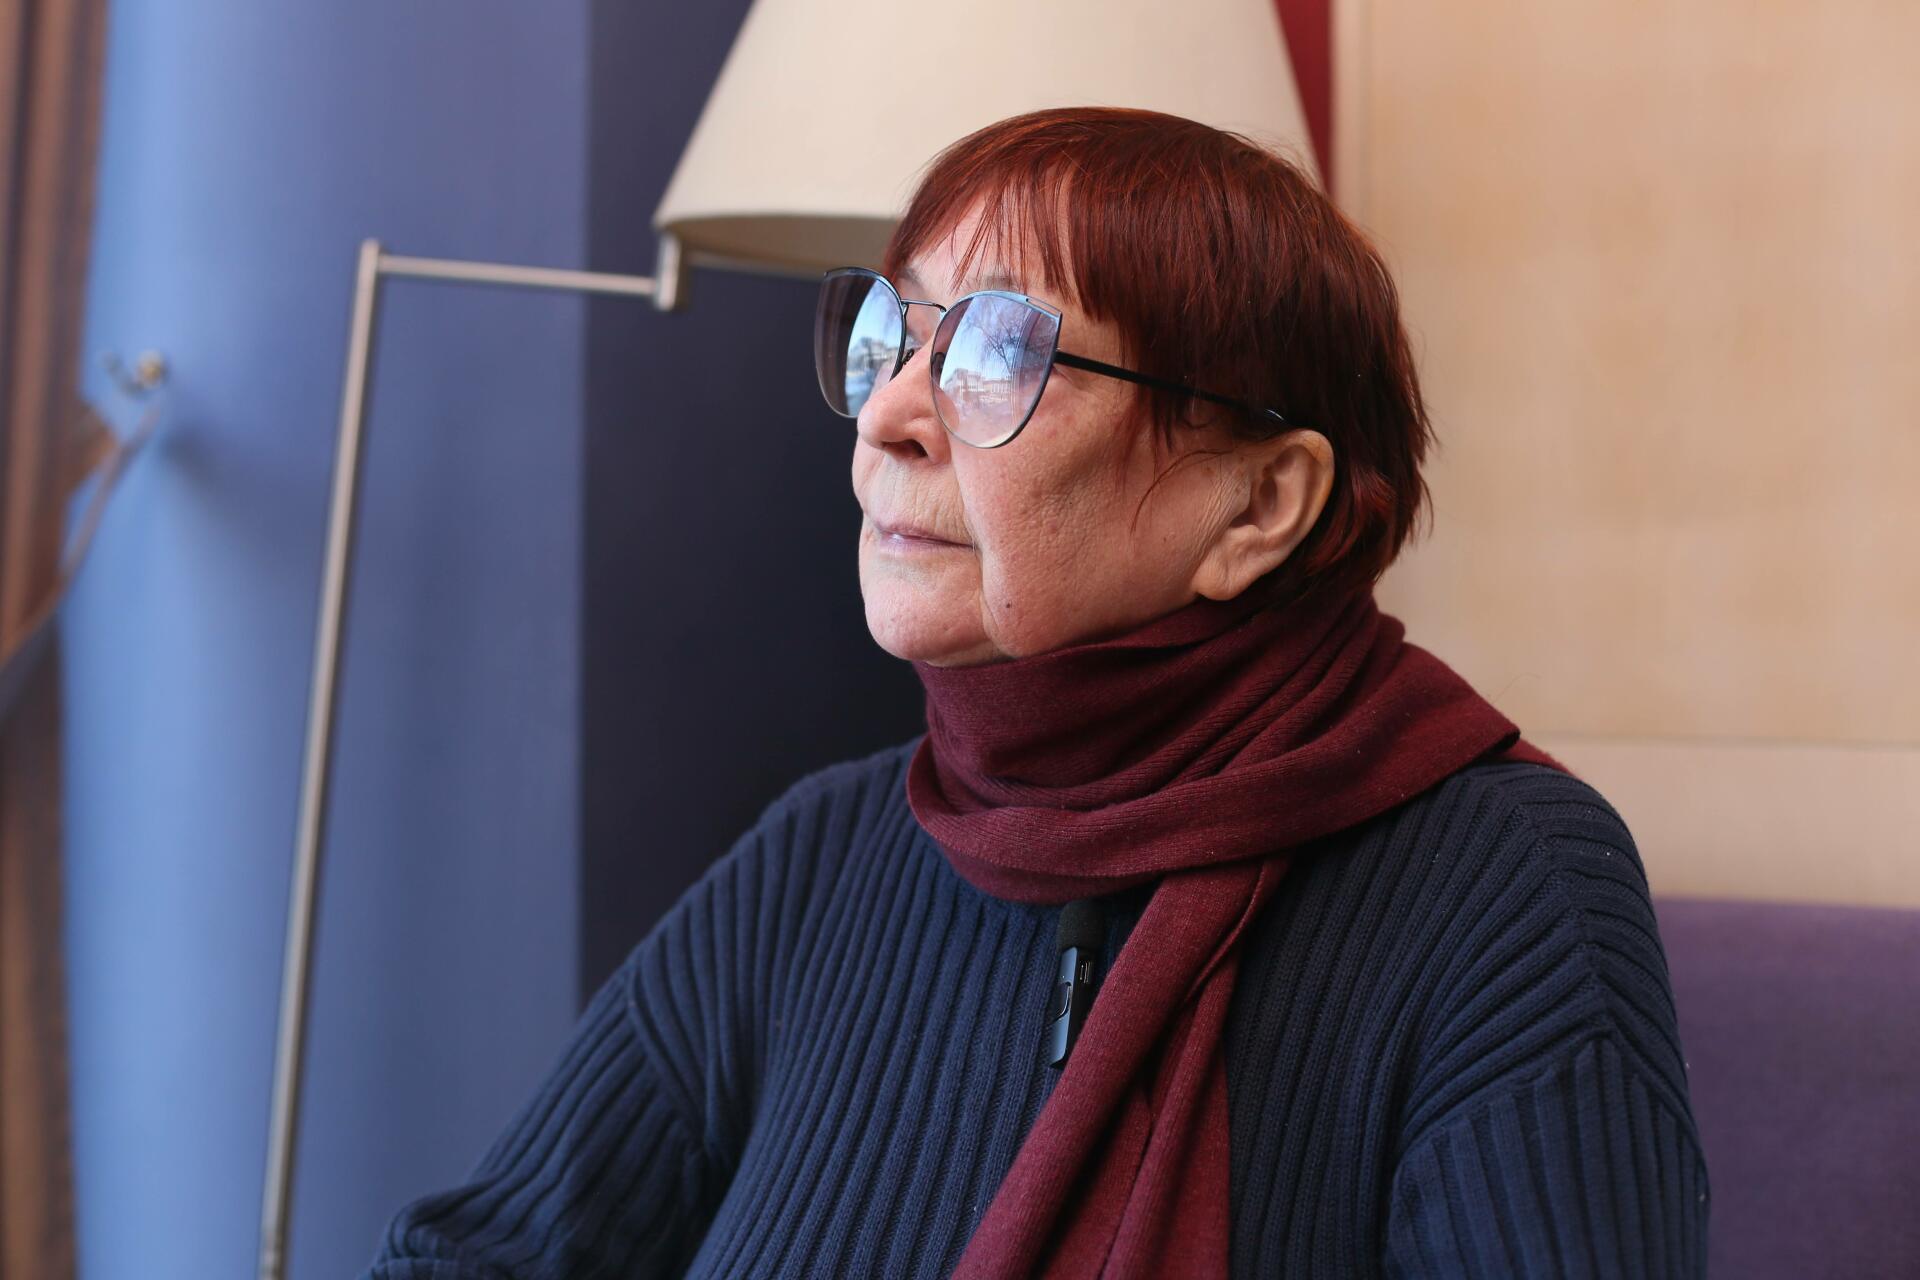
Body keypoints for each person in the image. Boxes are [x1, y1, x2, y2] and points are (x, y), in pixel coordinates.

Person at [362, 106, 1708, 1278]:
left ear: (1258, 504)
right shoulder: (822, 853)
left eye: (1003, 351)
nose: (890, 414)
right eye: (894, 337)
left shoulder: (1505, 889)